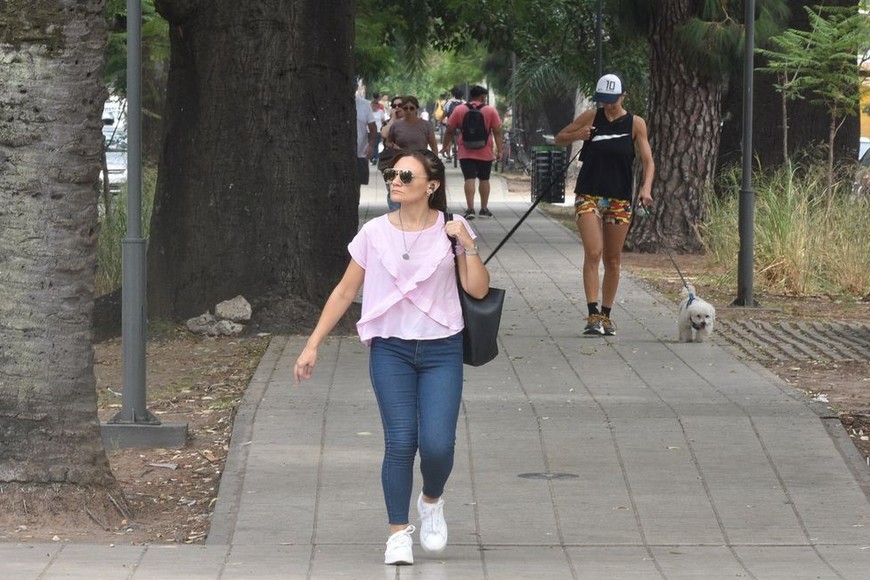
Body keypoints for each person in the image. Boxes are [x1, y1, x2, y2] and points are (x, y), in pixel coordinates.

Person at [294, 149, 491, 566]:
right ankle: (398, 533)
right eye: (391, 174)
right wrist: (313, 344)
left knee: (438, 445)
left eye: (405, 174)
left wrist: (468, 244)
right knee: (401, 441)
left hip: (442, 348)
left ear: (431, 185)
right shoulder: (374, 233)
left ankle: (432, 500)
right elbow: (346, 292)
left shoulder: (451, 230)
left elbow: (476, 290)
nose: (394, 180)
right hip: (390, 349)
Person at [554, 73, 654, 336]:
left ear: (623, 97)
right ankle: (592, 314)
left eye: (612, 100)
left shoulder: (636, 124)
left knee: (612, 258)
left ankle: (607, 315)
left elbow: (648, 161)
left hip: (620, 197)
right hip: (589, 194)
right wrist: (580, 133)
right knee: (594, 252)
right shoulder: (591, 116)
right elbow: (560, 137)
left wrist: (646, 188)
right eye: (603, 100)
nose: (607, 106)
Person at [441, 85, 503, 220]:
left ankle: (470, 209)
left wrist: (446, 146)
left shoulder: (460, 110)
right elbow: (497, 132)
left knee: (469, 179)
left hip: (465, 150)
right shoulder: (490, 111)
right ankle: (484, 209)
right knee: (484, 179)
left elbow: (450, 129)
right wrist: (499, 150)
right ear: (482, 97)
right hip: (485, 151)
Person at [379, 96, 405, 210]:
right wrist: (393, 119)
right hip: (390, 163)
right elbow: (384, 134)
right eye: (395, 106)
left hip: (409, 162)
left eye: (400, 106)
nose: (397, 108)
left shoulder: (412, 123)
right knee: (393, 190)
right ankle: (395, 216)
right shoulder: (389, 123)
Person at [356, 93, 377, 191]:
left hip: (360, 153)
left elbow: (372, 127)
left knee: (356, 185)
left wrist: (371, 145)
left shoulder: (364, 104)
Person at [371, 93, 386, 165]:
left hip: (377, 131)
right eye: (372, 105)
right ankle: (372, 157)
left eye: (375, 105)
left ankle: (375, 158)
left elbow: (383, 121)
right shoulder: (369, 112)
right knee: (371, 145)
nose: (373, 107)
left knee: (375, 145)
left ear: (377, 106)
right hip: (369, 131)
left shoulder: (380, 112)